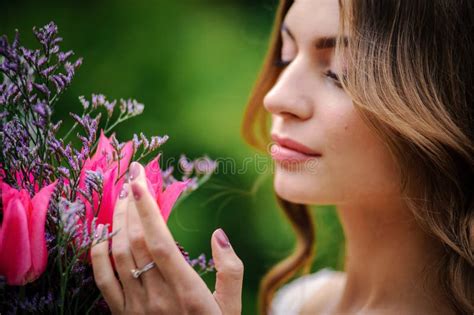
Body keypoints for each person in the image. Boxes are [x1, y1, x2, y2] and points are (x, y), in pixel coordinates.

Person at [90, 0, 474, 314]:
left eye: (340, 73)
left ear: (448, 100)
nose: (276, 97)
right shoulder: (300, 302)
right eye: (284, 58)